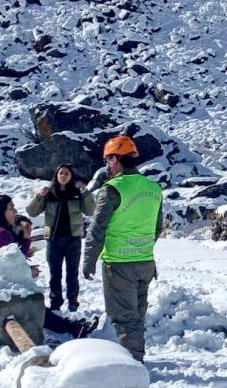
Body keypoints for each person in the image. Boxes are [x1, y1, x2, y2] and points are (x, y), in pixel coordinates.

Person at [82, 136, 163, 362]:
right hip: (145, 262)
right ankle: (135, 356)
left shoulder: (112, 189)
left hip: (119, 264)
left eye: (108, 159)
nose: (107, 165)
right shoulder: (154, 188)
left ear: (116, 159)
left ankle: (132, 365)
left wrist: (88, 261)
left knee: (125, 318)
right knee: (137, 315)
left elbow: (97, 229)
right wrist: (141, 245)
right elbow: (158, 227)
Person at [27, 164, 95, 312]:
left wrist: (86, 193)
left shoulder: (77, 193)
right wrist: (39, 196)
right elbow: (31, 212)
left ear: (71, 176)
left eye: (67, 173)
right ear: (56, 175)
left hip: (73, 240)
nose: (63, 175)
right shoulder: (49, 193)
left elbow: (90, 211)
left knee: (72, 273)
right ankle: (55, 302)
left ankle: (72, 301)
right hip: (53, 240)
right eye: (61, 173)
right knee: (54, 273)